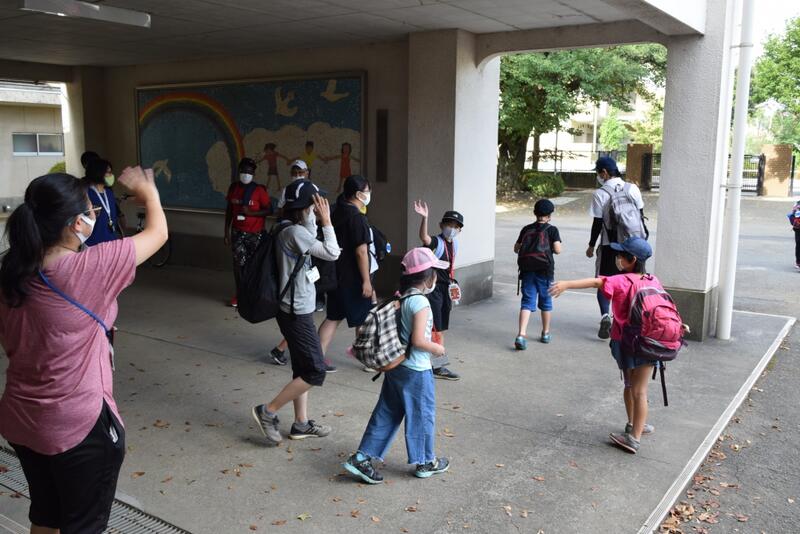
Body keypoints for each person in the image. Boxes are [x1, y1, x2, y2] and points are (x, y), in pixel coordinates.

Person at [0, 166, 167, 534]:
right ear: (77, 223)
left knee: (46, 515)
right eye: (91, 210)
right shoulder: (87, 270)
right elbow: (157, 233)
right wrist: (149, 192)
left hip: (22, 419)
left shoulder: (11, 270)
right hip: (77, 427)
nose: (94, 214)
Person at [550, 236, 676, 454]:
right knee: (640, 390)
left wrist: (566, 284)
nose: (617, 258)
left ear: (632, 259)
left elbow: (596, 282)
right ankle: (637, 425)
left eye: (620, 255)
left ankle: (633, 436)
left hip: (626, 342)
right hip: (651, 342)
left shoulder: (620, 280)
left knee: (631, 387)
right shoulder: (653, 280)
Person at [342, 248, 450, 483]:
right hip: (416, 370)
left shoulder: (401, 297)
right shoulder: (421, 302)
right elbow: (419, 341)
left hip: (396, 366)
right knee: (422, 415)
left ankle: (362, 458)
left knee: (386, 413)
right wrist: (437, 349)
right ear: (429, 277)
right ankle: (426, 461)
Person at [250, 180, 340, 445]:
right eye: (314, 205)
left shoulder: (290, 228)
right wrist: (327, 221)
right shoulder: (294, 233)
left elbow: (310, 236)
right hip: (296, 312)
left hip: (295, 308)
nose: (318, 209)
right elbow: (332, 252)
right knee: (315, 372)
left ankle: (301, 424)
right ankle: (268, 412)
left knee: (303, 368)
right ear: (304, 207)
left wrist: (313, 218)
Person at [316, 175, 374, 373]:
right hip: (353, 277)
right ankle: (368, 360)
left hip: (334, 274)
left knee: (333, 317)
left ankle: (316, 359)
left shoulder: (335, 210)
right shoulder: (357, 218)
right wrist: (366, 280)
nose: (369, 194)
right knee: (363, 318)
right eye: (367, 191)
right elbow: (361, 252)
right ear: (358, 194)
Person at [586, 156, 645, 340]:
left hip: (610, 246)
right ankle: (627, 320)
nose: (598, 176)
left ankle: (605, 315)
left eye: (598, 173)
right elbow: (640, 216)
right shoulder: (632, 188)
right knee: (630, 283)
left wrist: (591, 245)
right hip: (633, 246)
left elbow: (597, 224)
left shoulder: (600, 193)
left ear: (604, 172)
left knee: (605, 282)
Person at [414, 200, 463, 381]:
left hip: (446, 289)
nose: (452, 229)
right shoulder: (437, 242)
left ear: (460, 230)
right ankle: (438, 366)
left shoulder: (454, 244)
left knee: (440, 328)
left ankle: (433, 363)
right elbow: (424, 238)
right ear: (441, 225)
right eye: (449, 224)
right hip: (433, 289)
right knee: (436, 329)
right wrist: (424, 218)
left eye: (456, 226)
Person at [514, 199, 562, 349]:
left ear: (535, 213)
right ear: (550, 215)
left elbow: (516, 248)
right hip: (545, 272)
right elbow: (558, 250)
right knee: (546, 303)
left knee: (527, 302)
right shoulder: (552, 230)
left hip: (527, 271)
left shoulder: (526, 229)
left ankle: (521, 335)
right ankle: (545, 333)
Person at [224, 158, 271, 308]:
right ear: (239, 172)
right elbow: (229, 210)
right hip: (237, 233)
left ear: (253, 174)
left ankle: (254, 294)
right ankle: (240, 294)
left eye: (249, 172)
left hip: (255, 234)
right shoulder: (233, 188)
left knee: (254, 265)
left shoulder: (259, 190)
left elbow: (269, 210)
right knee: (238, 265)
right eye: (243, 171)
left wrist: (251, 213)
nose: (246, 174)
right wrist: (226, 232)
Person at [83, 158, 122, 246]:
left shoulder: (109, 192)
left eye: (111, 172)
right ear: (98, 173)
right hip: (93, 244)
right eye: (108, 172)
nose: (111, 175)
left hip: (111, 241)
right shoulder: (86, 194)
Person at [788, 199, 800, 270]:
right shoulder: (797, 204)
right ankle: (798, 262)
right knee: (799, 244)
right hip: (798, 228)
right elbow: (793, 215)